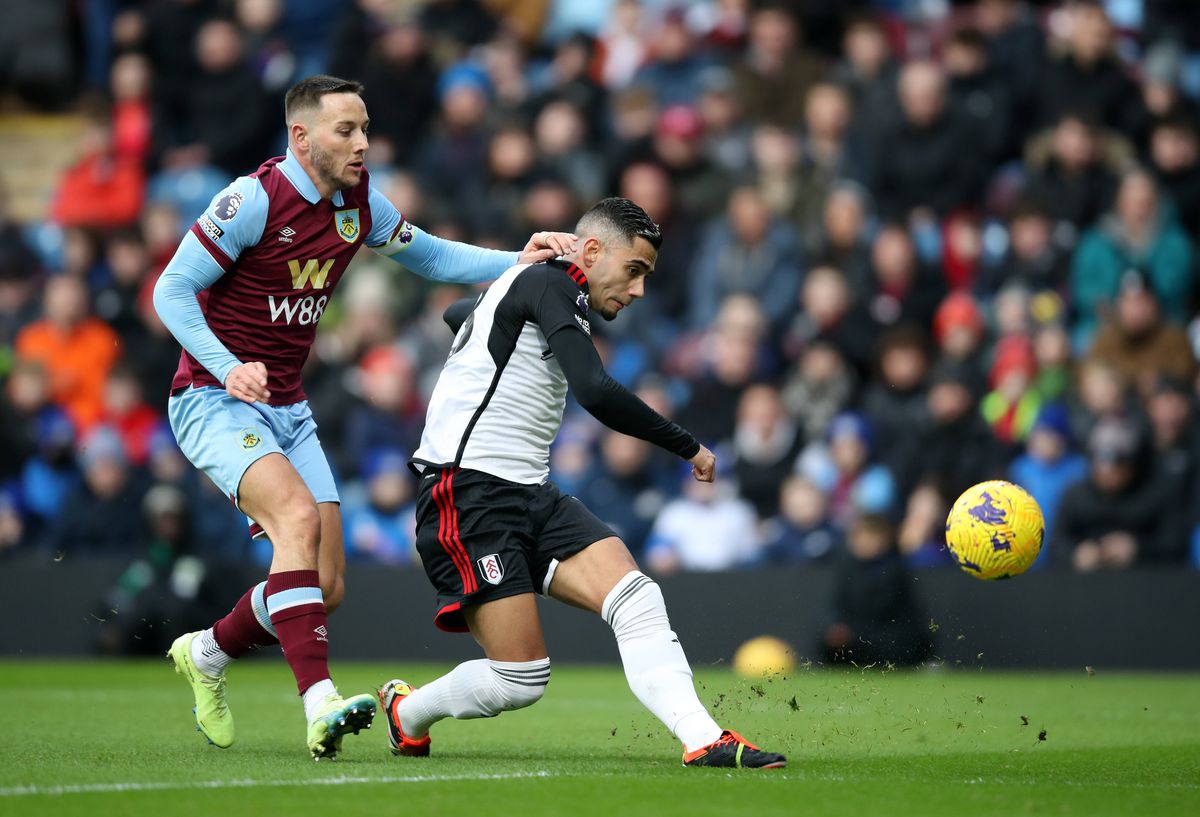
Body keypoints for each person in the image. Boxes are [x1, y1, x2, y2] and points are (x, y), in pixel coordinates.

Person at [152, 75, 575, 761]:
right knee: (295, 518)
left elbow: (429, 254)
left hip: (287, 404)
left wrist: (518, 262)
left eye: (365, 127)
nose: (363, 143)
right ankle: (319, 704)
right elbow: (171, 288)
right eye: (346, 130)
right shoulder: (252, 199)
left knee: (325, 586)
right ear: (302, 137)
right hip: (213, 397)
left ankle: (205, 653)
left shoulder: (355, 201)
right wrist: (226, 362)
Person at [378, 198, 786, 770]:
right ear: (590, 253)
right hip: (466, 494)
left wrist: (476, 317)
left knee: (635, 595)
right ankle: (408, 712)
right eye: (634, 270)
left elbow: (463, 315)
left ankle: (704, 737)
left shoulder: (532, 287)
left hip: (530, 491)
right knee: (521, 678)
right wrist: (686, 444)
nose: (639, 290)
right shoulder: (548, 283)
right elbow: (593, 390)